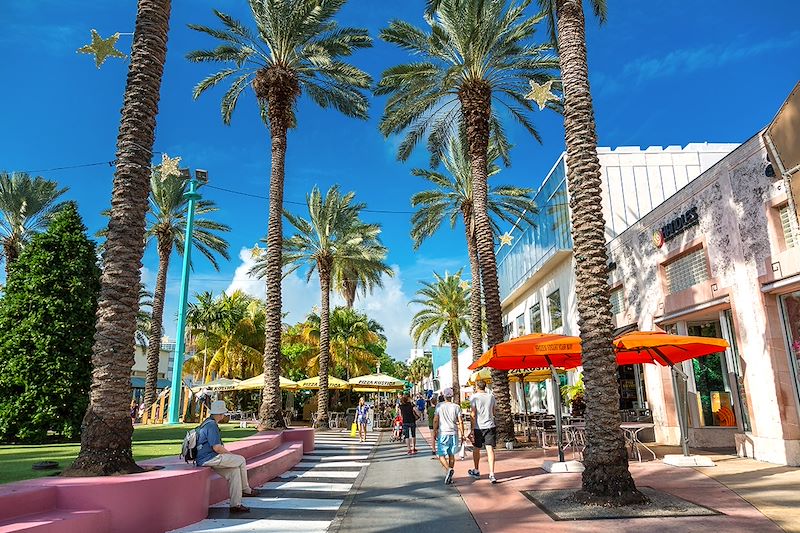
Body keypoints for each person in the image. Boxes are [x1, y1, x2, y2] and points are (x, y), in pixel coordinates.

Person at [196, 400, 261, 513]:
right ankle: (246, 489)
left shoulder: (207, 422)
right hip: (210, 458)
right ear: (220, 414)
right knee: (240, 460)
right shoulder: (212, 425)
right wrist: (231, 456)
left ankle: (235, 505)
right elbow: (217, 447)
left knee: (234, 472)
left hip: (205, 459)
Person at [433, 387, 464, 484]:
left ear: (444, 396)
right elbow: (460, 421)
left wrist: (434, 431)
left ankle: (448, 470)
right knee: (451, 455)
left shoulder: (439, 406)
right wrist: (462, 434)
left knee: (441, 455)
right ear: (452, 396)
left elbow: (435, 420)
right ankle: (449, 473)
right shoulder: (456, 407)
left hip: (443, 433)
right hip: (453, 433)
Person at [469, 380, 498, 483]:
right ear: (485, 387)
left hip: (478, 427)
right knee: (490, 449)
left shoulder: (474, 397)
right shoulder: (491, 396)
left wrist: (471, 429)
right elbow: (494, 411)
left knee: (476, 448)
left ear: (477, 386)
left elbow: (473, 414)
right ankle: (492, 474)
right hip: (490, 426)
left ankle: (476, 470)